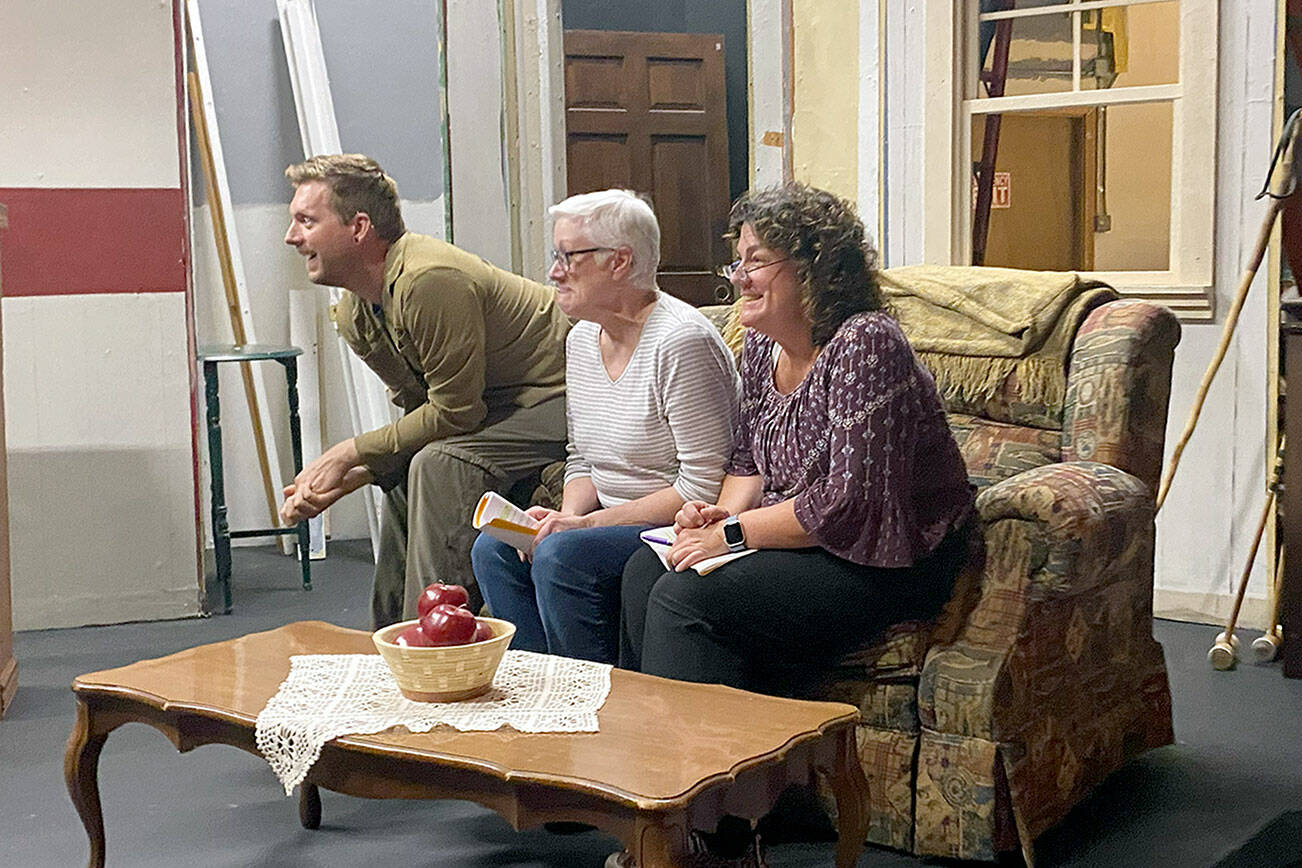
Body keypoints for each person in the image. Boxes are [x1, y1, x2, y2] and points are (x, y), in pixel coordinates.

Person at [611, 184, 975, 867]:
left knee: (686, 598)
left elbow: (850, 505)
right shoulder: (758, 349)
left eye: (756, 260)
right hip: (804, 539)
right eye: (736, 261)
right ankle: (682, 812)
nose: (738, 277)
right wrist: (715, 514)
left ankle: (716, 840)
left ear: (813, 266)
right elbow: (748, 462)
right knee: (645, 568)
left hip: (887, 560)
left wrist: (734, 536)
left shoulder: (866, 344)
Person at [279, 154, 570, 627]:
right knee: (404, 471)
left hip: (561, 393)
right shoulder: (357, 313)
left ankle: (434, 635)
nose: (292, 237)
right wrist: (361, 472)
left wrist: (346, 453)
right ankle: (389, 638)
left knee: (440, 463)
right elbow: (425, 410)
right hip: (498, 403)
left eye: (306, 221)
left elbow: (456, 413)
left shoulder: (428, 280)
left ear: (359, 228)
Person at [470, 189, 740, 664]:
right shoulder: (580, 342)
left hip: (669, 528)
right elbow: (582, 456)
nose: (554, 272)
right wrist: (561, 519)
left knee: (561, 556)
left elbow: (703, 486)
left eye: (568, 257)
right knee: (494, 548)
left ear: (620, 261)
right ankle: (540, 685)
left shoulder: (681, 342)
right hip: (605, 522)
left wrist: (582, 526)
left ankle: (594, 699)